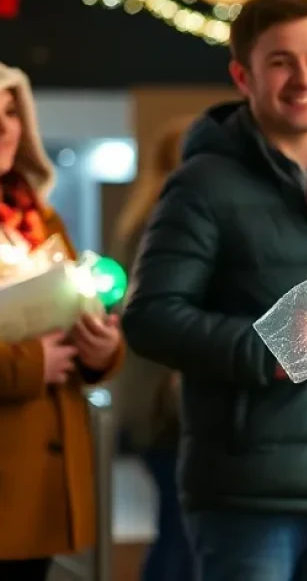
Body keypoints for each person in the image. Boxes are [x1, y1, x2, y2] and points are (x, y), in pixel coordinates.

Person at [122, 0, 307, 581]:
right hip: (247, 499)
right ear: (243, 75)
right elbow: (150, 317)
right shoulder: (202, 184)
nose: (303, 79)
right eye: (280, 62)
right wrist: (270, 349)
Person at [0, 63, 124, 579]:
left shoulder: (37, 218)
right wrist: (28, 364)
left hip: (40, 479)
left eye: (11, 111)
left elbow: (80, 311)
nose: (6, 126)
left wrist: (101, 349)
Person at [112, 119, 193, 581]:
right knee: (180, 531)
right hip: (169, 403)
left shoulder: (143, 217)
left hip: (152, 401)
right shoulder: (167, 219)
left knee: (175, 525)